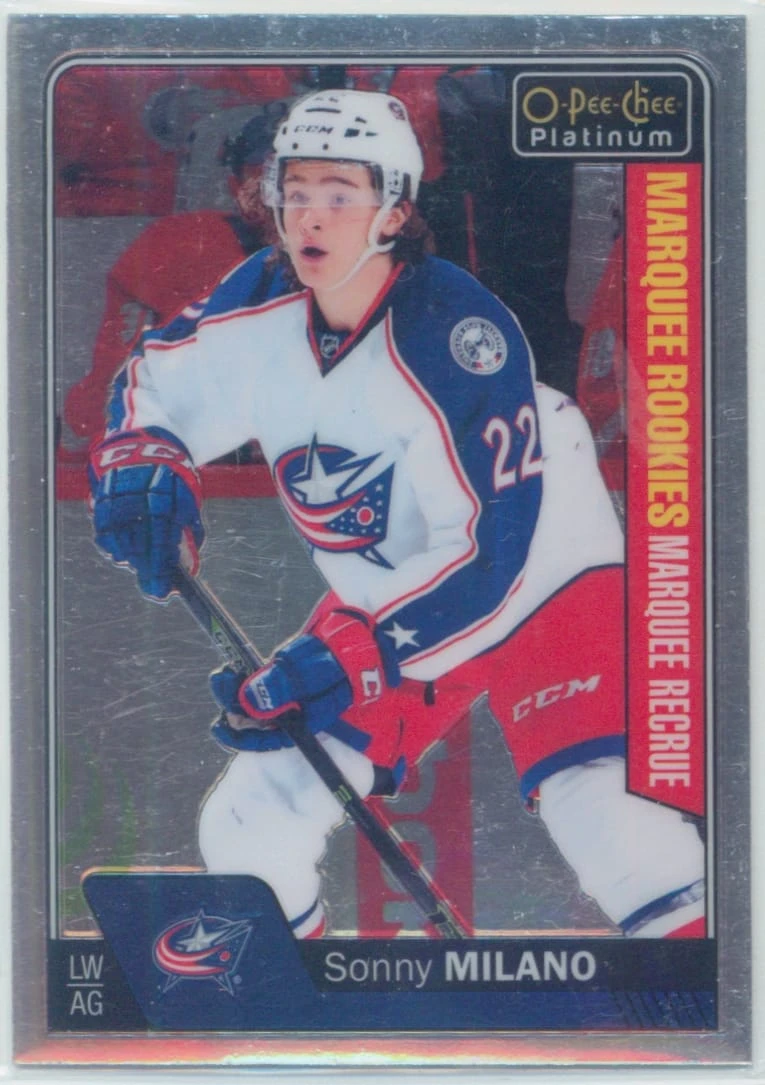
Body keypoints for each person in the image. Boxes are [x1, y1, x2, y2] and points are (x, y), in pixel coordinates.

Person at [88, 89, 705, 940]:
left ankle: (693, 995)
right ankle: (293, 1004)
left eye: (340, 193)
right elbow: (153, 383)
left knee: (619, 836)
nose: (311, 214)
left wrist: (355, 654)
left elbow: (493, 554)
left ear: (396, 209)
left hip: (544, 578)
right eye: (295, 191)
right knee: (249, 826)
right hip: (394, 595)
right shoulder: (257, 298)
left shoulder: (454, 332)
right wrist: (143, 463)